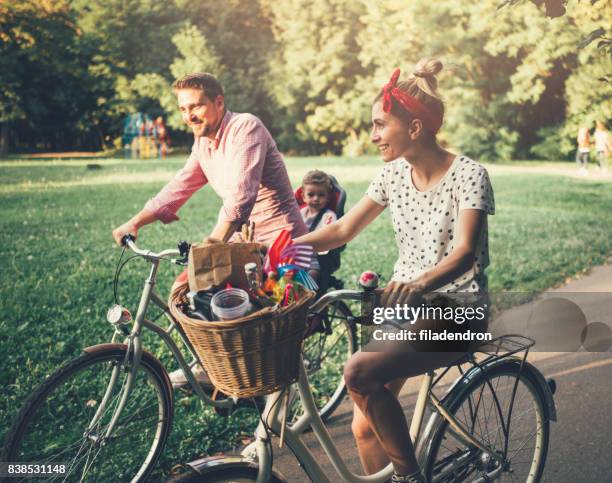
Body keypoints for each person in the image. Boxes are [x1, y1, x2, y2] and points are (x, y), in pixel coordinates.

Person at [294, 59, 495, 483]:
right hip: (403, 307)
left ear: (415, 128)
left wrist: (418, 283)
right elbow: (344, 229)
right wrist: (282, 246)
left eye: (380, 125)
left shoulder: (470, 175)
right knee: (364, 425)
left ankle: (409, 477)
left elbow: (463, 253)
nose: (373, 135)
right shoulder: (392, 175)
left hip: (456, 310)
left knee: (359, 374)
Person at [112, 72, 308, 386]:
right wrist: (136, 221)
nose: (189, 115)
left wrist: (213, 244)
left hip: (282, 242)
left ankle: (270, 424)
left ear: (218, 102)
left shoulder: (245, 128)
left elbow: (241, 198)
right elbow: (180, 186)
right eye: (182, 109)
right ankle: (210, 365)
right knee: (185, 290)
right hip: (245, 243)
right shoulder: (203, 142)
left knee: (269, 330)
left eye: (196, 106)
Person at [299, 170, 338, 282]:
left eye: (321, 195)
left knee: (312, 274)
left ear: (328, 197)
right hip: (297, 256)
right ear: (303, 196)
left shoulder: (328, 216)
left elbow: (328, 236)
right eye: (311, 195)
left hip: (315, 258)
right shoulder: (300, 213)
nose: (316, 198)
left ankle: (306, 296)